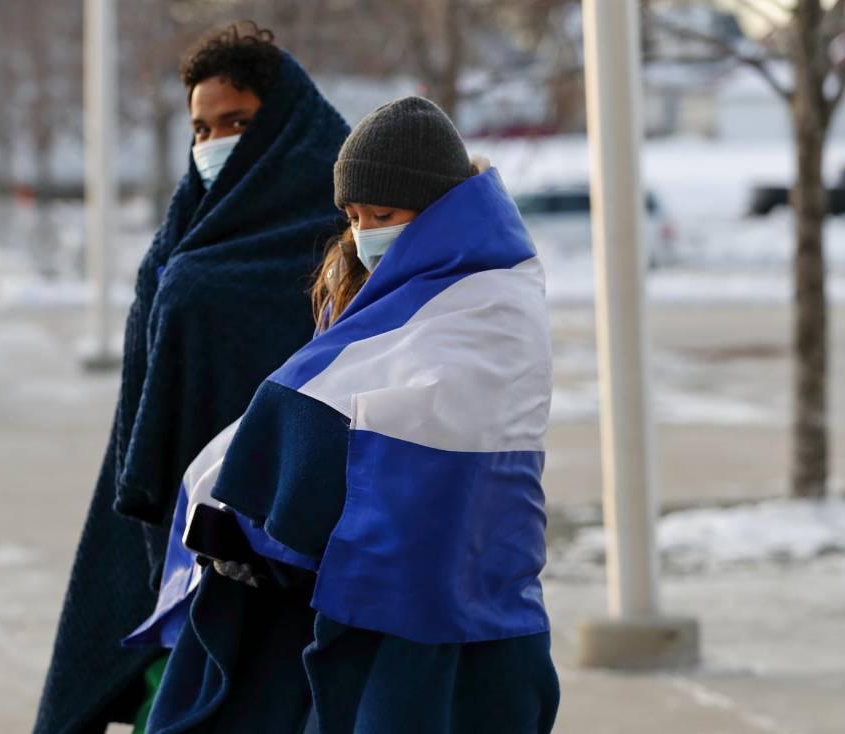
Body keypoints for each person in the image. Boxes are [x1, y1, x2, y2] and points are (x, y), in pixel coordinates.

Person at [124, 97, 559, 734]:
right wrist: (243, 511)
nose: (365, 234)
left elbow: (406, 416)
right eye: (354, 216)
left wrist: (258, 496)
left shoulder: (492, 296)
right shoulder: (371, 287)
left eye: (383, 215)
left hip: (463, 581)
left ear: (438, 208)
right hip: (374, 587)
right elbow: (327, 392)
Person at [32, 23, 350, 734]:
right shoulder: (190, 224)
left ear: (284, 124)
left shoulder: (339, 224)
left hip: (285, 532)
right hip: (178, 522)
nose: (214, 143)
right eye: (201, 128)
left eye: (236, 122)